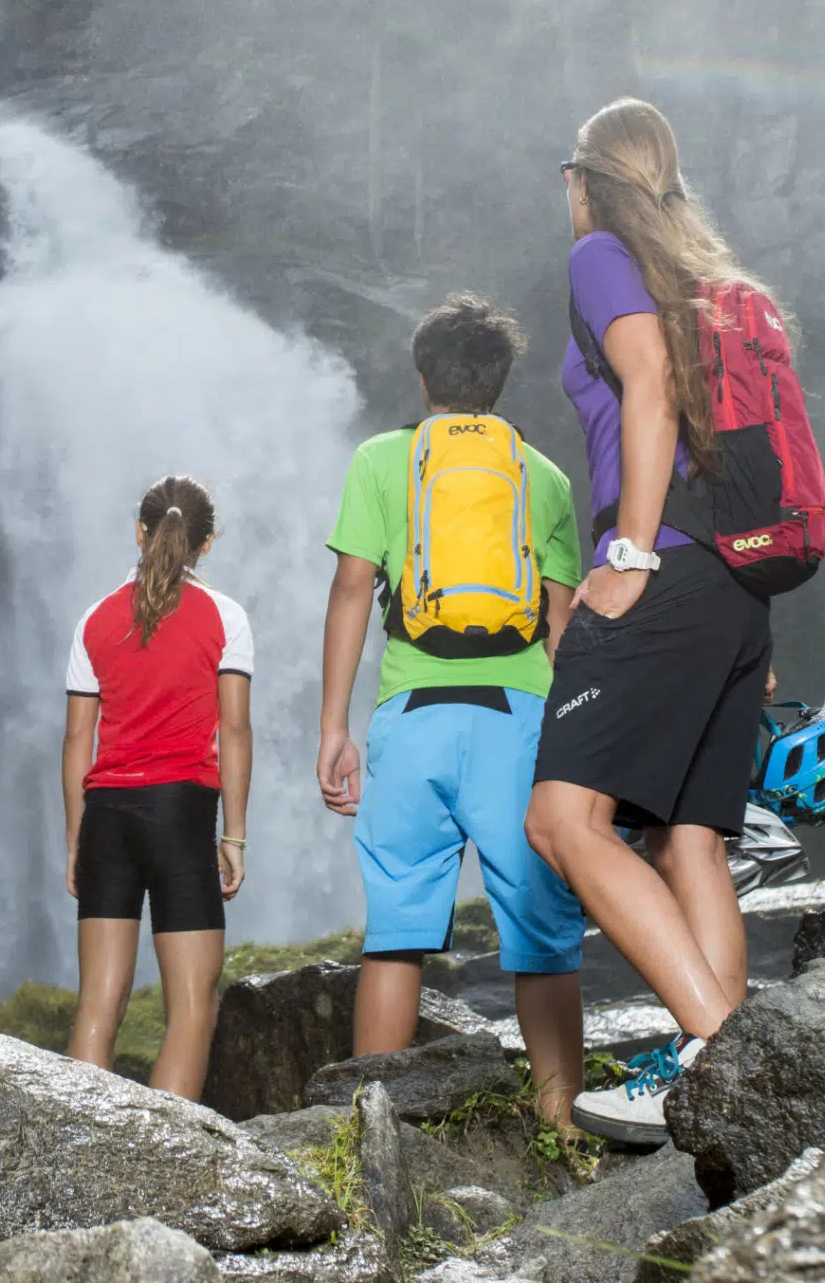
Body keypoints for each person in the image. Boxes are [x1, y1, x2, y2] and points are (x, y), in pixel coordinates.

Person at [525, 99, 776, 1145]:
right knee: (691, 842)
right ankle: (732, 1064)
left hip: (659, 566)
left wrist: (623, 554)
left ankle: (724, 1054)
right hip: (729, 583)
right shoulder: (705, 279)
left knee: (562, 821)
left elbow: (650, 387)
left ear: (588, 179)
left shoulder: (598, 252)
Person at [318, 293, 586, 1129]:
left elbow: (352, 589)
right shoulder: (540, 475)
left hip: (413, 707)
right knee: (542, 934)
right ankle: (561, 1122)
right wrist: (574, 747)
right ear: (499, 382)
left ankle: (369, 1132)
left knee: (396, 933)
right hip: (517, 717)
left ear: (421, 376)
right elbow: (562, 623)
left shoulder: (378, 461)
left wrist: (335, 727)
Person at [62, 475, 253, 1101]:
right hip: (182, 814)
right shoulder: (225, 617)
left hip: (107, 817)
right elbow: (236, 730)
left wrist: (74, 841)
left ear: (138, 533)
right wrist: (235, 836)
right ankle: (169, 1175)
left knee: (99, 1004)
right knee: (193, 1006)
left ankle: (75, 1152)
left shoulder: (94, 618)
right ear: (208, 543)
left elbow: (77, 743)